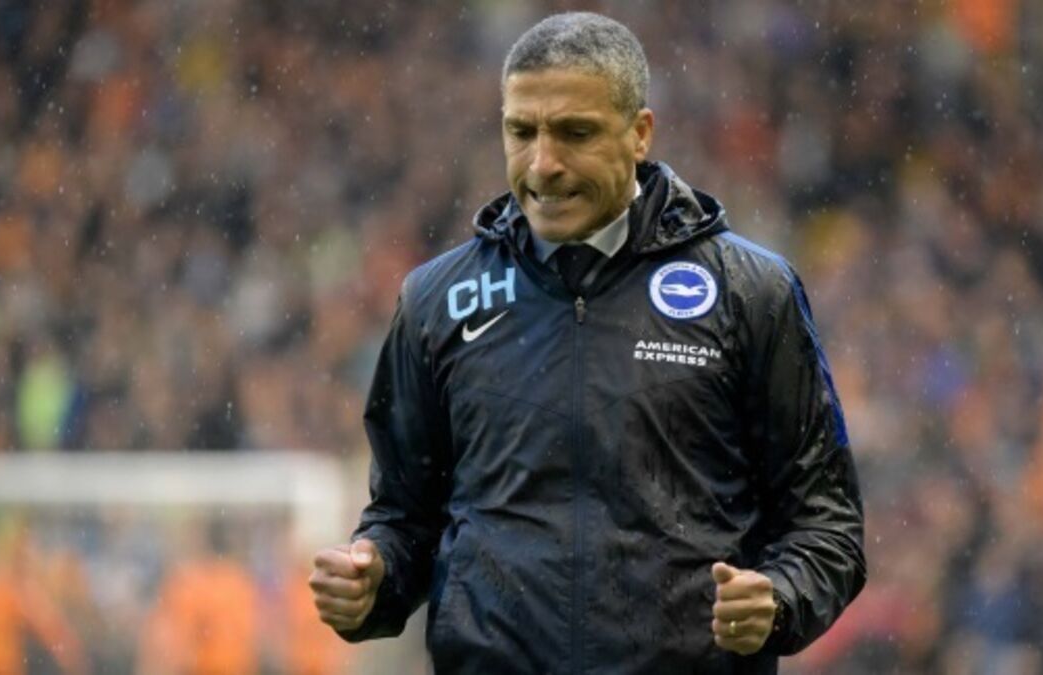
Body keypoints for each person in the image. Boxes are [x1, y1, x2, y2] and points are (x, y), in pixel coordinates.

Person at [310, 12, 865, 674]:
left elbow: (827, 524)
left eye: (575, 133)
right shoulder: (436, 301)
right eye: (522, 132)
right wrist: (373, 579)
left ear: (640, 133)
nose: (544, 164)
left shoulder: (750, 293)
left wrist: (779, 598)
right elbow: (405, 518)